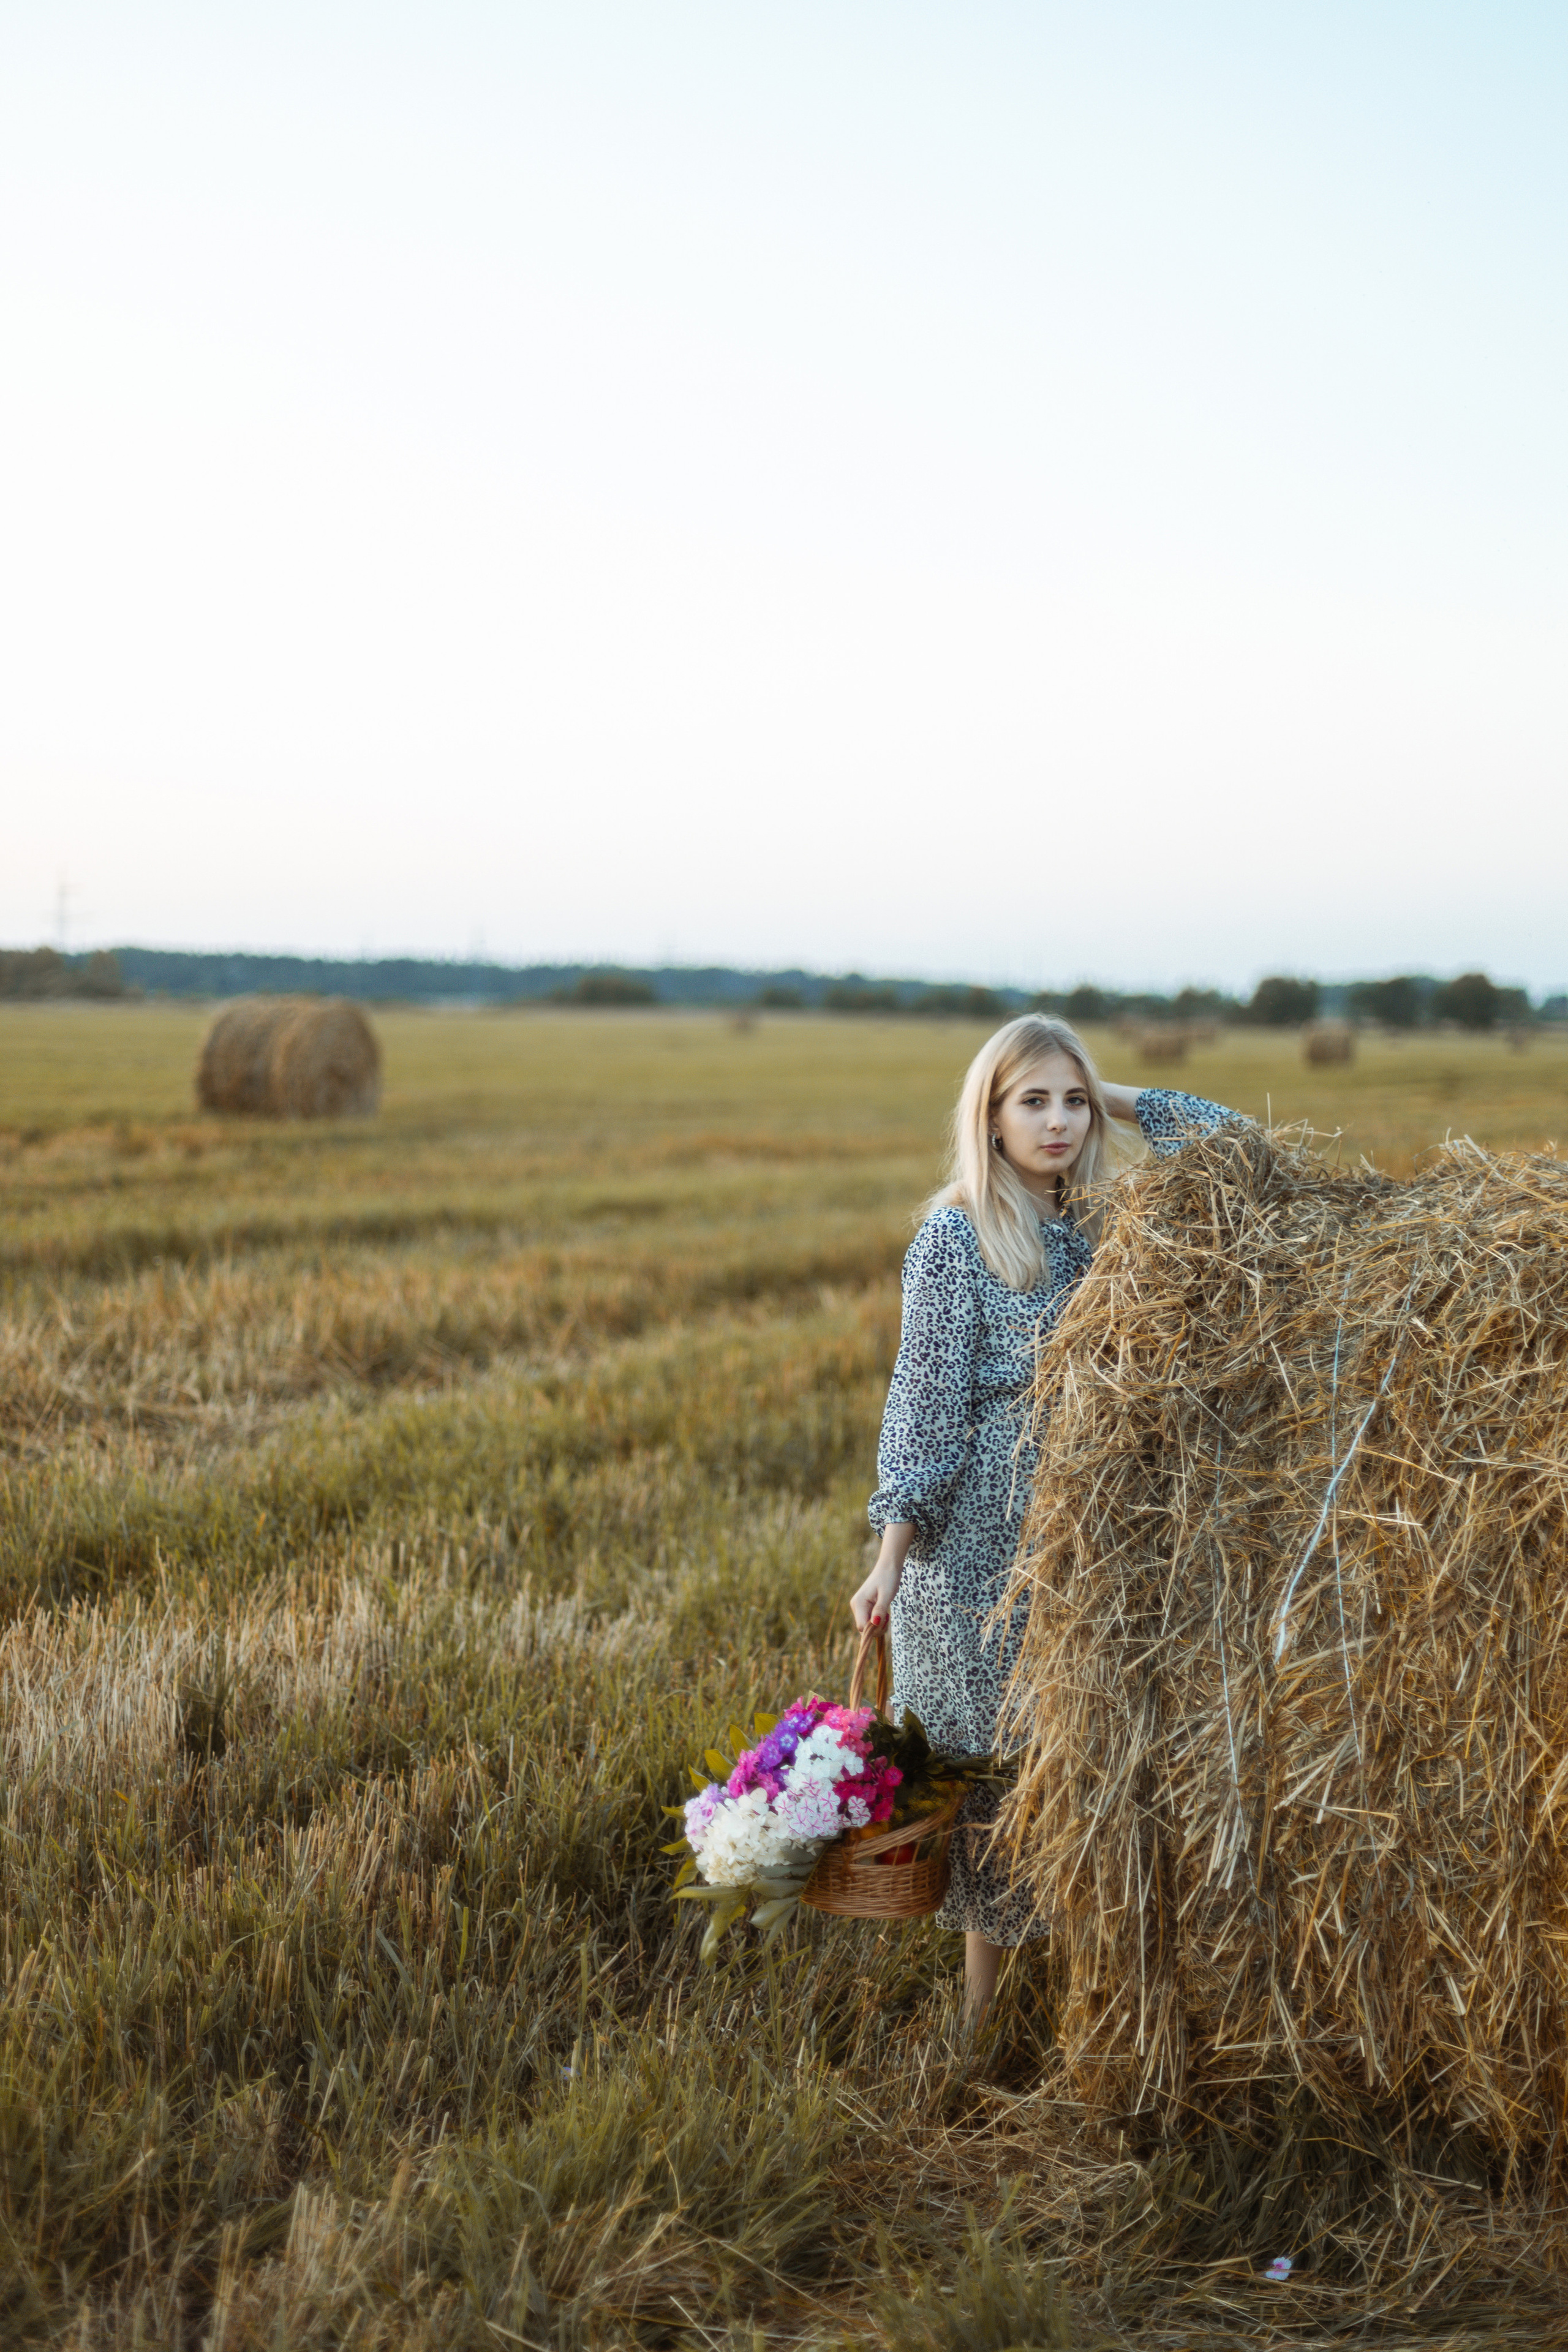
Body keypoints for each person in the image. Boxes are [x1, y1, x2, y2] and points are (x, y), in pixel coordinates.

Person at [850, 1014, 1238, 2023]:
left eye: (1072, 1101)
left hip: (1097, 1540)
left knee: (1088, 1769)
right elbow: (922, 1407)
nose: (1058, 1121)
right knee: (996, 1780)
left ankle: (1089, 2000)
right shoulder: (954, 1237)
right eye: (1033, 1100)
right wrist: (890, 1558)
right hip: (980, 1554)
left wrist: (1116, 1096)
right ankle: (982, 2016)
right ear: (990, 1115)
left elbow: (1238, 1153)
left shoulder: (1103, 1229)